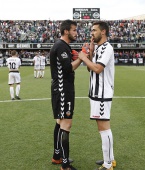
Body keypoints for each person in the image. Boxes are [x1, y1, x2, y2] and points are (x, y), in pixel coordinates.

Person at [78, 21, 116, 170]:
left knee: (104, 128)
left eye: (94, 30)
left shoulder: (107, 48)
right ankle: (110, 159)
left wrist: (83, 56)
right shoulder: (99, 48)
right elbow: (90, 70)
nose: (91, 33)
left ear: (104, 32)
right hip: (95, 92)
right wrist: (91, 52)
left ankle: (108, 165)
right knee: (102, 127)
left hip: (102, 93)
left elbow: (98, 69)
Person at [50, 19, 82, 170]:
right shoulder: (61, 46)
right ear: (66, 31)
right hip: (63, 90)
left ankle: (57, 156)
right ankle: (65, 165)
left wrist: (75, 56)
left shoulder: (64, 46)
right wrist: (81, 58)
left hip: (62, 88)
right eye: (74, 30)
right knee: (66, 124)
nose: (76, 33)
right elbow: (68, 68)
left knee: (59, 122)